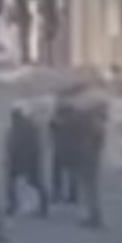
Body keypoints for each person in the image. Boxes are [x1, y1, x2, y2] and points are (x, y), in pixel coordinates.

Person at [5, 106, 47, 218]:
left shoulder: (21, 127)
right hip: (26, 159)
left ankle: (13, 205)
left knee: (31, 182)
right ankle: (43, 206)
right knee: (33, 182)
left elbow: (14, 144)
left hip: (24, 160)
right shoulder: (28, 126)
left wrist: (10, 156)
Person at [71, 99, 107, 228]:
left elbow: (89, 145)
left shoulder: (94, 126)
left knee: (90, 190)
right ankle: (93, 217)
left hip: (89, 160)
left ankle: (94, 218)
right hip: (91, 160)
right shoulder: (98, 125)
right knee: (90, 190)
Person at [48, 94, 77, 204]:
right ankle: (72, 194)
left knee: (58, 172)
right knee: (71, 172)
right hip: (71, 147)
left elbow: (51, 128)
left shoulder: (58, 116)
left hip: (61, 147)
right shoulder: (74, 114)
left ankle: (58, 194)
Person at [10, 0, 32, 65]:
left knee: (21, 40)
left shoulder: (18, 2)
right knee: (23, 40)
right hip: (23, 22)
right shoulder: (22, 1)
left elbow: (16, 14)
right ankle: (24, 57)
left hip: (21, 22)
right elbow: (24, 13)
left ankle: (23, 57)